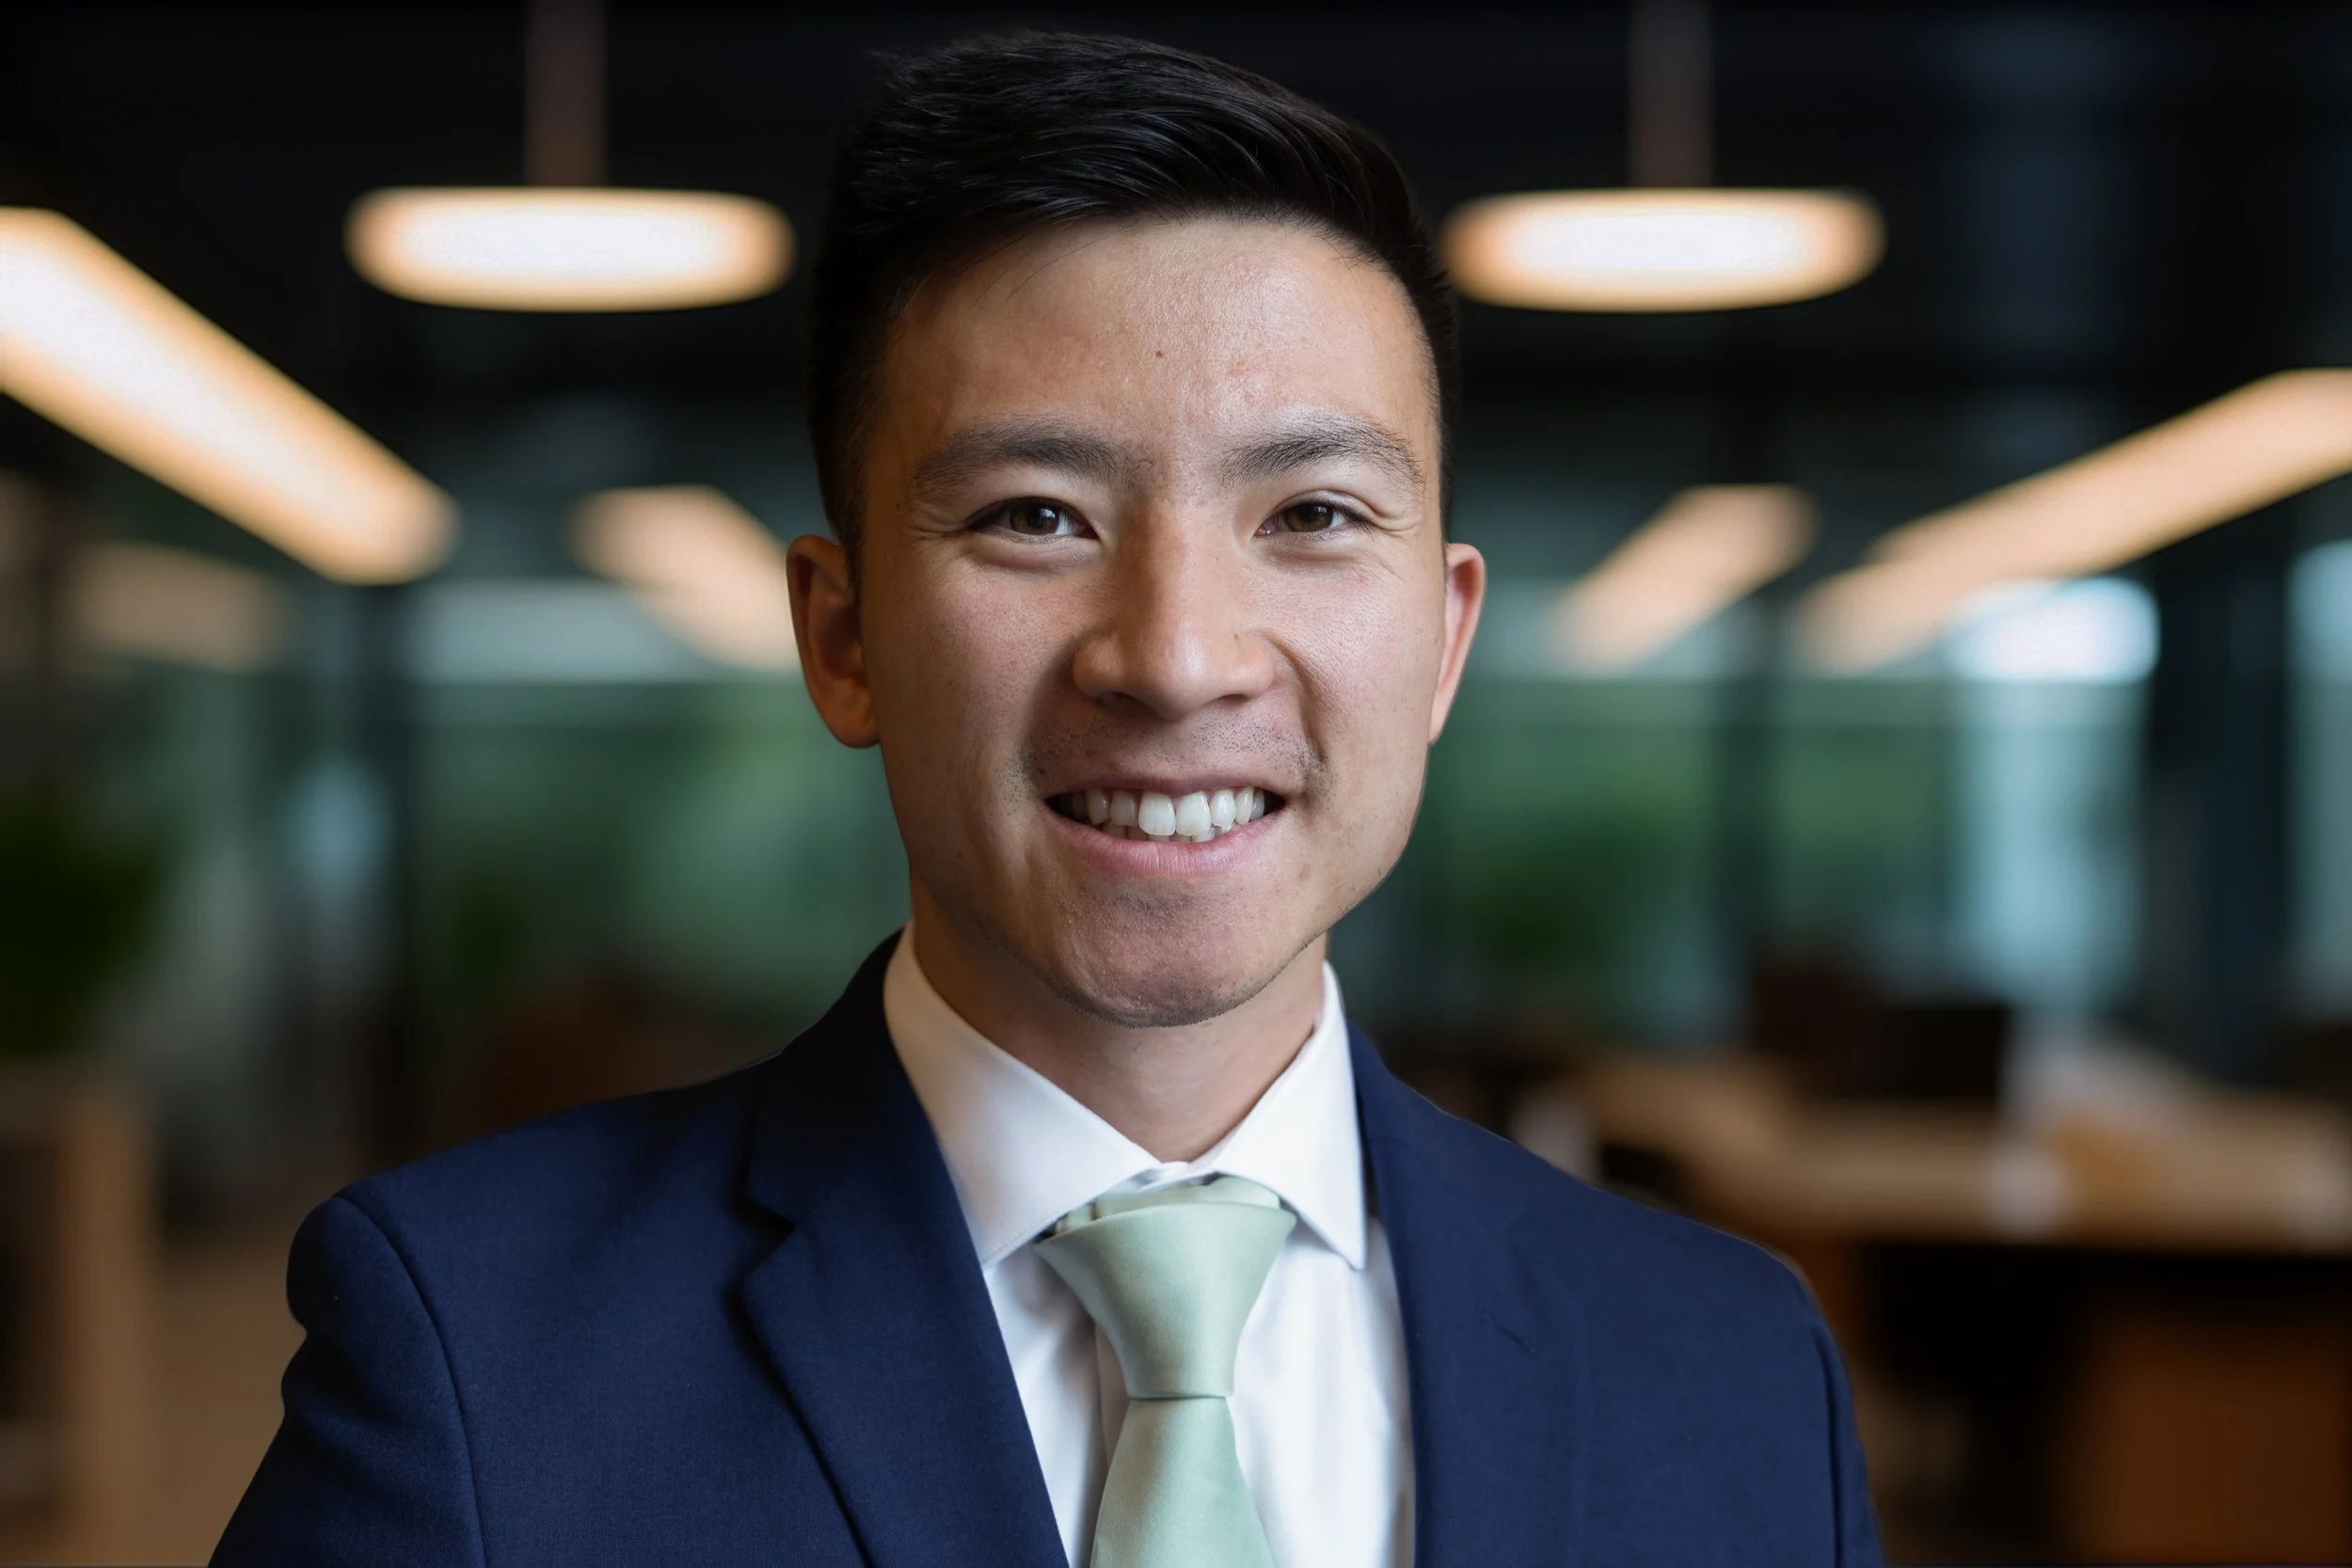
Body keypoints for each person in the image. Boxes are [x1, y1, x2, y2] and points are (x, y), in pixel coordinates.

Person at [216, 31, 1880, 1568]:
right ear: (845, 635)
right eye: (1034, 515)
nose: (1173, 658)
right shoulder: (470, 1353)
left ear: (1443, 640)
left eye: (1308, 513)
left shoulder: (1732, 1370)